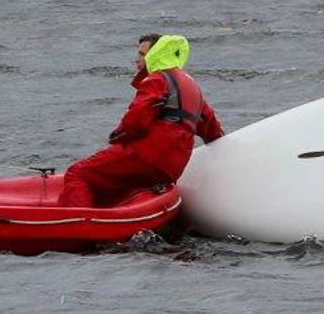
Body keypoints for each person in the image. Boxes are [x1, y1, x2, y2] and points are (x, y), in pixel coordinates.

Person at [59, 34, 223, 208]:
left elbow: (136, 120)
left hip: (145, 156)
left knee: (77, 174)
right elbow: (213, 131)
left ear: (157, 53)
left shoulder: (157, 79)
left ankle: (79, 224)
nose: (136, 59)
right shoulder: (192, 87)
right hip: (172, 168)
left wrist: (116, 137)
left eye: (142, 54)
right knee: (111, 179)